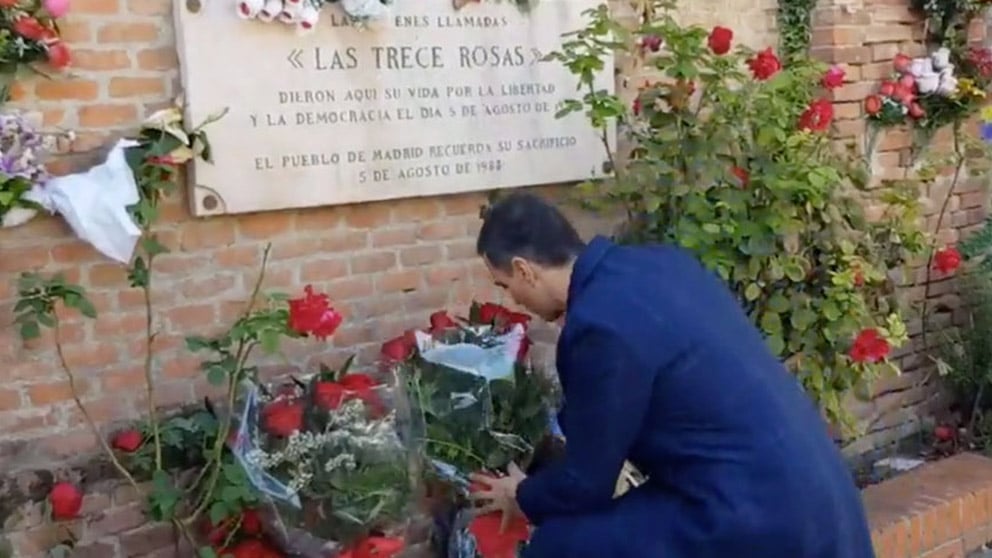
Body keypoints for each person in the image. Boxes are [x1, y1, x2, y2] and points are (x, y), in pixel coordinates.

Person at [468, 192, 875, 558]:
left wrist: (522, 494)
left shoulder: (599, 325)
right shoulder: (662, 265)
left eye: (504, 285)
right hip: (822, 499)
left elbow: (586, 483)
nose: (512, 299)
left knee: (560, 546)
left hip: (751, 518)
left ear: (525, 271)